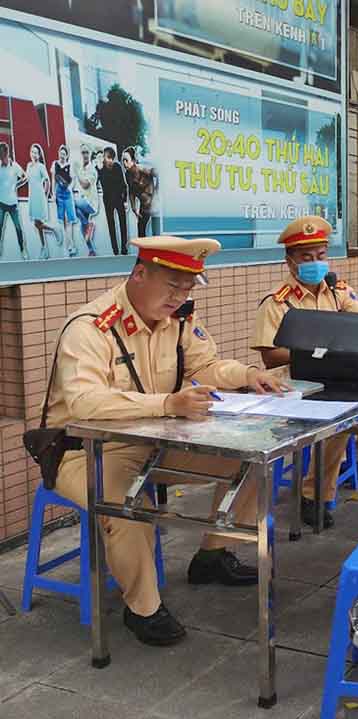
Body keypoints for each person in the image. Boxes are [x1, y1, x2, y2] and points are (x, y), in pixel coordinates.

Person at [45, 235, 288, 646]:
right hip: (88, 448)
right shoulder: (90, 327)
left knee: (251, 462)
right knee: (124, 501)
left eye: (189, 286)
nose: (180, 296)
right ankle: (143, 608)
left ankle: (213, 554)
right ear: (139, 274)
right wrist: (167, 403)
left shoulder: (180, 320)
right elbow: (85, 402)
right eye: (172, 285)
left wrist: (248, 376)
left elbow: (205, 365)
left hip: (156, 438)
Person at [251, 215, 358, 528]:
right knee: (336, 425)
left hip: (334, 379)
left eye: (320, 256)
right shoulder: (277, 303)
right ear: (290, 262)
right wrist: (315, 355)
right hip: (293, 386)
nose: (315, 264)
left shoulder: (337, 291)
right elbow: (269, 356)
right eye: (306, 258)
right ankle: (313, 495)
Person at [26, 143, 61, 258]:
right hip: (32, 196)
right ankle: (44, 247)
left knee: (37, 222)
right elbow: (27, 180)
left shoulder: (41, 166)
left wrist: (45, 195)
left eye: (36, 152)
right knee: (37, 223)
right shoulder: (29, 165)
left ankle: (51, 235)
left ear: (39, 154)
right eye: (32, 152)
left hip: (39, 196)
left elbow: (47, 181)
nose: (34, 154)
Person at [98, 147, 129, 255]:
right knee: (111, 225)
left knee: (123, 223)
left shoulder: (117, 167)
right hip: (107, 200)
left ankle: (124, 248)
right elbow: (102, 184)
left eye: (110, 158)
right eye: (106, 157)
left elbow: (124, 185)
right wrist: (100, 169)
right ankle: (115, 250)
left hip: (119, 199)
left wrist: (125, 200)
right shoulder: (101, 170)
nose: (108, 160)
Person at [0, 142, 28, 259]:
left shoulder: (15, 165)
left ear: (7, 153)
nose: (2, 157)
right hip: (1, 203)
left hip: (13, 204)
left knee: (18, 228)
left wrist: (17, 184)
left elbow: (25, 177)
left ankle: (23, 251)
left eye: (3, 154)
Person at [123, 148, 158, 239]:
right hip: (144, 207)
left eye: (126, 160)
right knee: (141, 229)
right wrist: (134, 208)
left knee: (156, 231)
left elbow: (158, 174)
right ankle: (144, 250)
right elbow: (131, 191)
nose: (124, 163)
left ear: (133, 161)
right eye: (123, 160)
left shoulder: (142, 169)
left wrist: (157, 191)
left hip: (153, 204)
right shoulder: (127, 175)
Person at [52, 145, 79, 257]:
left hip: (68, 194)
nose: (62, 155)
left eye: (64, 154)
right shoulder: (55, 164)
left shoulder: (70, 165)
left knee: (69, 221)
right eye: (60, 153)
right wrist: (53, 194)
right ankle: (66, 246)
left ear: (67, 155)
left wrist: (70, 188)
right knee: (61, 220)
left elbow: (73, 179)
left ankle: (71, 245)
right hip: (59, 194)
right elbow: (53, 179)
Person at [75, 148, 99, 256]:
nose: (85, 154)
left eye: (87, 152)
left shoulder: (93, 170)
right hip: (83, 201)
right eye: (83, 152)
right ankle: (92, 250)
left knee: (71, 202)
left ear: (90, 154)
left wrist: (76, 173)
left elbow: (85, 185)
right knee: (83, 227)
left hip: (90, 203)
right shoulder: (81, 169)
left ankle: (89, 224)